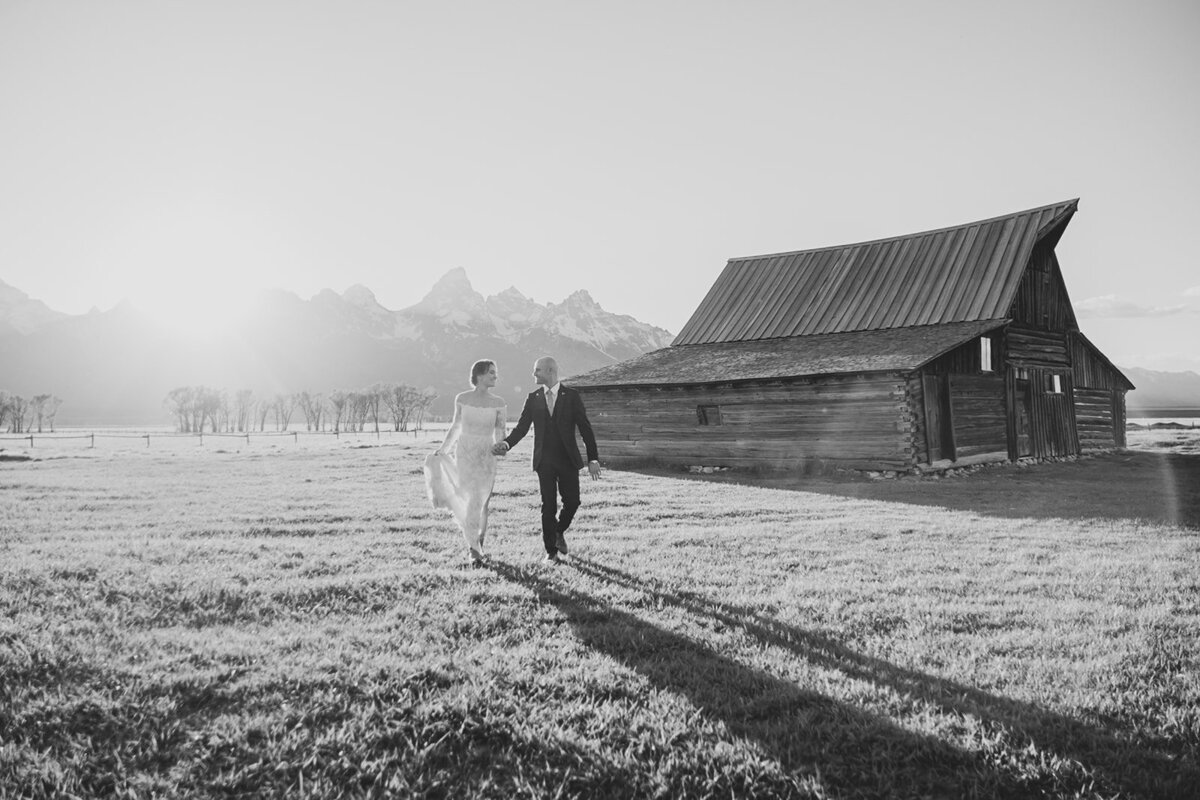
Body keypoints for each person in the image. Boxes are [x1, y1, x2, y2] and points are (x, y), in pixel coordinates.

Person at [492, 356, 600, 563]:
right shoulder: (533, 398)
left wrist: (593, 459)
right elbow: (522, 427)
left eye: (537, 370)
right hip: (544, 461)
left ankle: (559, 532)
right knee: (548, 506)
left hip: (568, 459)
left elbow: (585, 428)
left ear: (550, 371)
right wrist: (506, 444)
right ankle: (550, 551)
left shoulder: (572, 396)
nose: (534, 374)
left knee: (573, 502)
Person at [424, 359, 507, 566]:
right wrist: (443, 450)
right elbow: (456, 427)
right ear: (479, 375)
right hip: (465, 452)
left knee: (482, 501)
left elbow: (501, 432)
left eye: (495, 373)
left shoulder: (499, 402)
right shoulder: (462, 398)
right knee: (469, 498)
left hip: (486, 454)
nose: (495, 376)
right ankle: (474, 549)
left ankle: (478, 543)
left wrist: (502, 446)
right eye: (491, 373)